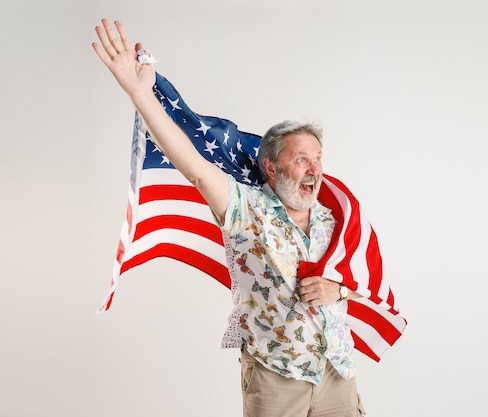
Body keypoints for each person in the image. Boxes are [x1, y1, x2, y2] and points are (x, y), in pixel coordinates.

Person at [92, 19, 366, 416]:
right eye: (302, 159)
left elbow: (364, 278)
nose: (314, 169)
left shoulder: (334, 216)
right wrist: (140, 93)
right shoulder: (246, 209)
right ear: (271, 167)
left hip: (338, 372)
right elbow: (196, 169)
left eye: (318, 158)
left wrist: (338, 291)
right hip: (276, 377)